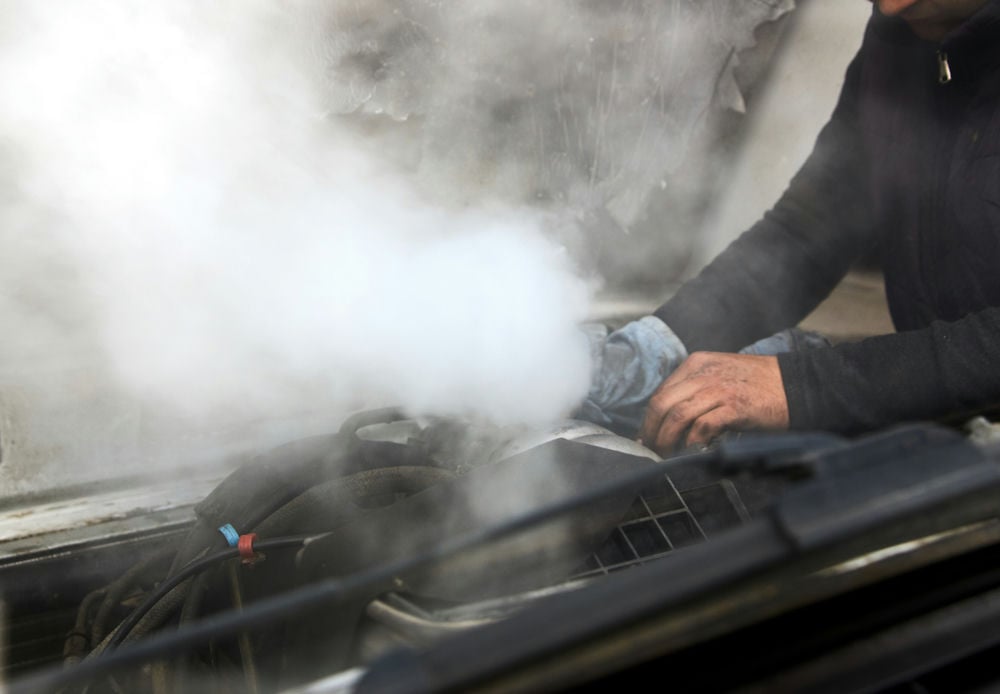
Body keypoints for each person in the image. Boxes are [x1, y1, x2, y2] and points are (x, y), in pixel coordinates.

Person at [579, 0, 1000, 455]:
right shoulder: (901, 36)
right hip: (961, 422)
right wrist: (665, 342)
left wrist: (801, 386)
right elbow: (810, 232)